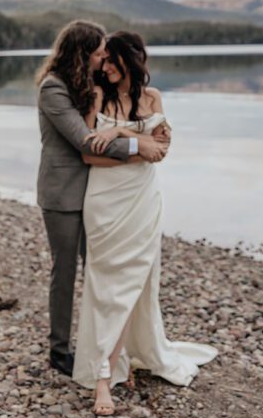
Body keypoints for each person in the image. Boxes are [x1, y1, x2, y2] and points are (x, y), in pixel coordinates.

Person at [72, 31, 217, 415]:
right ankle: (107, 363)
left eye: (111, 60)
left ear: (129, 61)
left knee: (134, 283)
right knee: (106, 287)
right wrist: (132, 138)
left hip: (141, 201)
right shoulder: (98, 97)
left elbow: (161, 151)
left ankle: (104, 376)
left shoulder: (153, 99)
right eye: (102, 61)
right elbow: (90, 157)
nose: (104, 66)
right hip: (104, 202)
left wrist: (125, 137)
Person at [35, 20, 170, 377]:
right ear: (81, 53)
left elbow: (119, 116)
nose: (101, 60)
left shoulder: (90, 85)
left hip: (100, 195)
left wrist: (140, 133)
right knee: (64, 273)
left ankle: (106, 350)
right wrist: (139, 144)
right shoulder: (53, 88)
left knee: (101, 274)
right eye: (97, 54)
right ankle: (59, 350)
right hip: (63, 195)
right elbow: (86, 140)